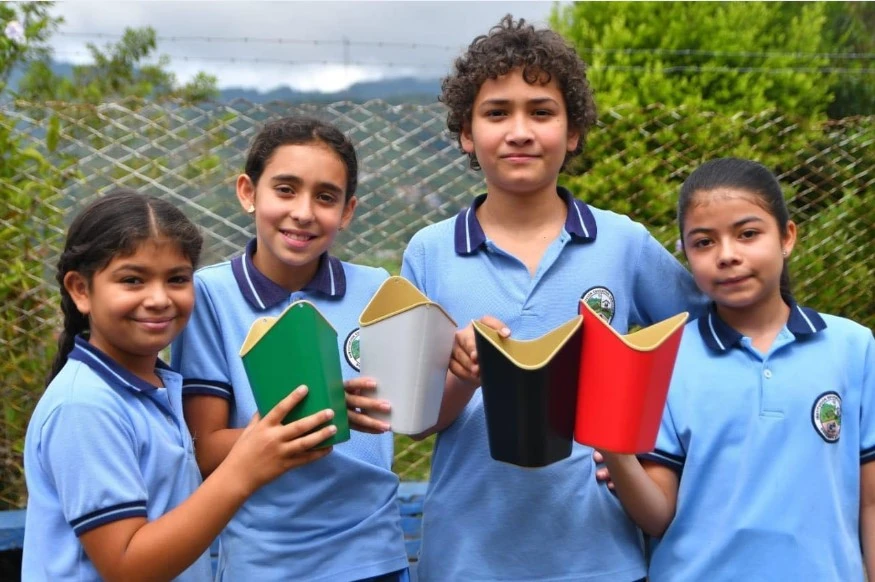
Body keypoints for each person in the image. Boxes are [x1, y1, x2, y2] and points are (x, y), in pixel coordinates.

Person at [400, 15, 707, 581]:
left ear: (573, 132)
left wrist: (646, 442)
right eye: (497, 113)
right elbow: (416, 423)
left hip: (600, 559)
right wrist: (463, 375)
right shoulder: (429, 251)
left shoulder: (623, 243)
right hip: (466, 561)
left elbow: (703, 344)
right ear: (466, 133)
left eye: (541, 112)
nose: (520, 131)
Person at [23, 190, 336, 581]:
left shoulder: (153, 386)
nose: (159, 299)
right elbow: (127, 565)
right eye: (132, 280)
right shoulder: (84, 405)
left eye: (177, 279)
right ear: (81, 290)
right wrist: (243, 471)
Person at [597, 157, 875, 581]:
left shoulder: (853, 347)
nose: (727, 255)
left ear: (787, 237)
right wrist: (616, 452)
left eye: (747, 234)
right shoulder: (663, 358)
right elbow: (657, 517)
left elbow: (871, 502)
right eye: (703, 242)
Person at [171, 116, 409, 581]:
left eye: (326, 197)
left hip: (374, 556)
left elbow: (403, 414)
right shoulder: (210, 297)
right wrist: (316, 418)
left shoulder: (377, 288)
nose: (303, 212)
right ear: (248, 192)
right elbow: (205, 450)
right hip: (267, 562)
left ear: (347, 211)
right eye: (285, 189)